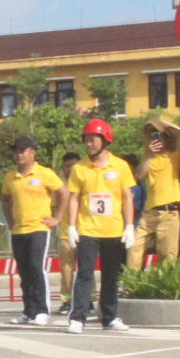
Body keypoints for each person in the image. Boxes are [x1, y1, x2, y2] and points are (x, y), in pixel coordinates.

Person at [66, 119, 137, 334]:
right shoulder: (79, 168)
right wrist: (71, 226)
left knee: (111, 275)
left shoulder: (121, 166)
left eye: (93, 140)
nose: (89, 144)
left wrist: (130, 226)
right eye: (86, 140)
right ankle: (78, 317)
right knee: (85, 274)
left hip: (114, 230)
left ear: (105, 140)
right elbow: (74, 198)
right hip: (87, 230)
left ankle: (110, 316)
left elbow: (127, 198)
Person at [2, 136, 68, 325]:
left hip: (39, 228)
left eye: (23, 150)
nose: (19, 154)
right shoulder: (10, 177)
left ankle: (42, 310)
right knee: (23, 271)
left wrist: (57, 218)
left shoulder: (44, 173)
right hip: (19, 230)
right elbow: (5, 199)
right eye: (17, 151)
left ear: (33, 152)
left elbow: (63, 193)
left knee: (36, 267)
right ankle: (28, 310)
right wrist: (10, 220)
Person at [127, 118, 180, 271]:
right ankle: (132, 282)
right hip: (150, 213)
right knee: (134, 246)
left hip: (169, 212)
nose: (157, 141)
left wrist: (161, 126)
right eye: (154, 138)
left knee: (167, 254)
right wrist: (148, 152)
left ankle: (165, 286)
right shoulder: (150, 160)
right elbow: (139, 175)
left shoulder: (174, 157)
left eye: (159, 138)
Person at [57, 152, 93, 314]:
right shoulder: (58, 185)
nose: (70, 169)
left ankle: (90, 300)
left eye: (73, 165)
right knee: (66, 268)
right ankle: (66, 300)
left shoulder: (86, 179)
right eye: (67, 166)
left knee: (86, 268)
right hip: (66, 233)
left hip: (85, 231)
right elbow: (53, 207)